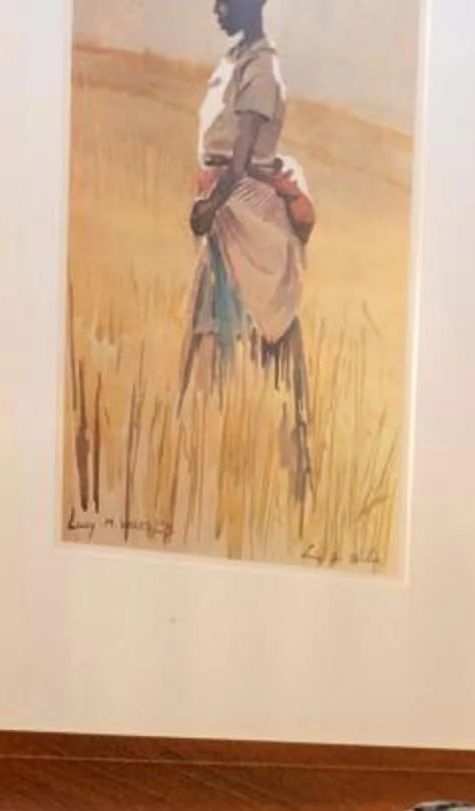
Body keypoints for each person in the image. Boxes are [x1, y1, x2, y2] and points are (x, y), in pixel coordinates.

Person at [181, 0, 313, 501]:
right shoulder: (236, 61)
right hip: (226, 210)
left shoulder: (260, 67)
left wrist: (212, 205)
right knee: (220, 325)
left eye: (225, 0)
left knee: (248, 324)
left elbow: (239, 160)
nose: (216, 8)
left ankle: (264, 469)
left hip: (244, 211)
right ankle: (217, 455)